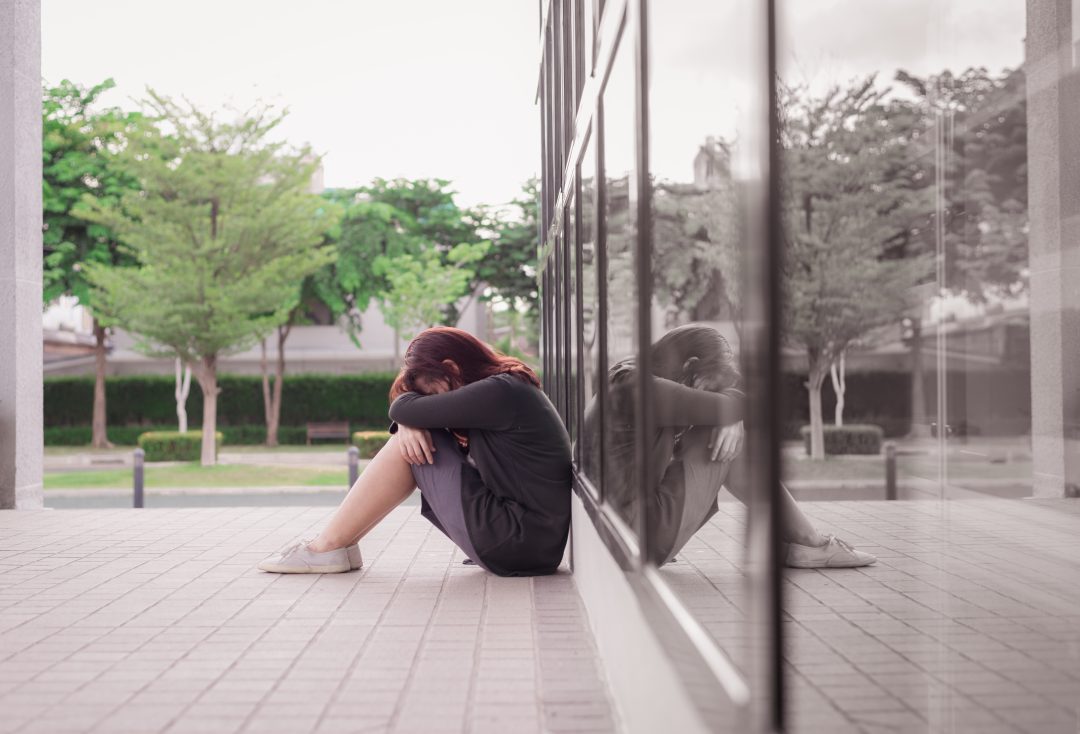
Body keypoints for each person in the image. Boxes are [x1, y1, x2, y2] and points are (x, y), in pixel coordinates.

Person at [257, 326, 572, 577]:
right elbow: (408, 410)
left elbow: (402, 406)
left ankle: (326, 547)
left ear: (450, 367)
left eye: (431, 391)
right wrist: (410, 423)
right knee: (415, 435)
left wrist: (408, 423)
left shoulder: (500, 392)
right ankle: (340, 546)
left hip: (519, 541)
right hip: (528, 541)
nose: (432, 402)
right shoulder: (509, 389)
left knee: (411, 443)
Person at [582, 323, 876, 569]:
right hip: (632, 538)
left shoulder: (626, 378)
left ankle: (804, 541)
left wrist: (728, 414)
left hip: (615, 535)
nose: (707, 395)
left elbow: (729, 405)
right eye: (710, 387)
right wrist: (728, 416)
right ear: (690, 366)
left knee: (721, 427)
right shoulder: (639, 388)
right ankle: (810, 542)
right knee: (718, 435)